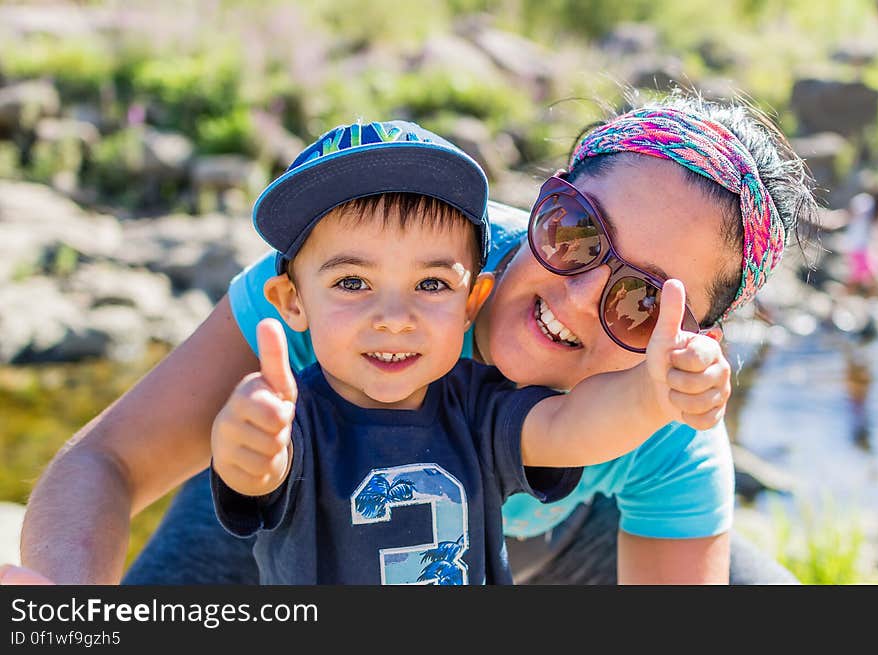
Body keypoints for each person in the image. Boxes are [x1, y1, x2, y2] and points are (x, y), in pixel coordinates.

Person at [5, 90, 816, 586]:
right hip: (298, 500)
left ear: (692, 336)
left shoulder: (666, 423)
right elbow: (106, 461)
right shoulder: (369, 278)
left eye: (640, 301)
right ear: (547, 196)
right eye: (576, 230)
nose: (575, 295)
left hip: (562, 551)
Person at [208, 120, 728, 584]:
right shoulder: (295, 419)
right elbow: (258, 477)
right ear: (290, 303)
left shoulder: (479, 411)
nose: (393, 317)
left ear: (469, 303)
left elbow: (571, 428)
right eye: (351, 281)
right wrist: (248, 445)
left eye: (431, 285)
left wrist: (653, 393)